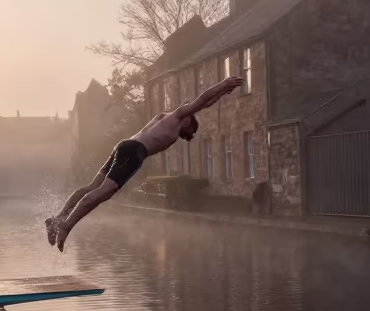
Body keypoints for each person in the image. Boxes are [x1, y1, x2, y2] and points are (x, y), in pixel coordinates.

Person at [46, 76, 243, 251]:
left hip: (124, 146)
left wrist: (221, 94)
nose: (184, 137)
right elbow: (199, 101)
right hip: (134, 152)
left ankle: (57, 218)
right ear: (189, 121)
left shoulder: (162, 118)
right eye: (188, 133)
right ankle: (66, 225)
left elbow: (204, 104)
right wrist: (223, 84)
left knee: (92, 187)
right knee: (105, 191)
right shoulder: (179, 115)